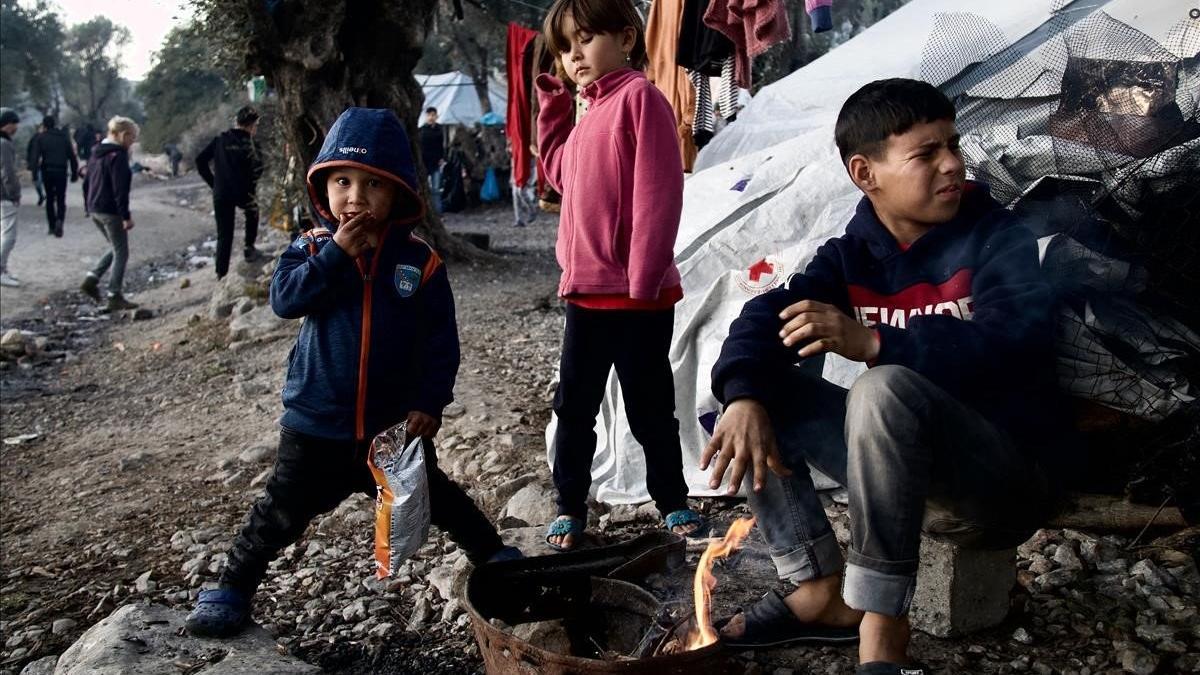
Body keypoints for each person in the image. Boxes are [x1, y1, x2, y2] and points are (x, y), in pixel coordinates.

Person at [701, 79, 1067, 675]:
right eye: (926, 154)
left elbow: (1017, 345)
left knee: (880, 385)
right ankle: (817, 587)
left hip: (1004, 478)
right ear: (865, 173)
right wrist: (743, 393)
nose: (953, 164)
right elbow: (768, 317)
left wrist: (876, 342)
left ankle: (882, 630)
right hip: (906, 479)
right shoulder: (851, 257)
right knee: (753, 398)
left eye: (953, 144)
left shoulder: (998, 239)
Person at [184, 107, 520, 639]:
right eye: (342, 181)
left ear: (400, 194)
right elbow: (285, 301)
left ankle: (493, 554)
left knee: (435, 497)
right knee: (279, 513)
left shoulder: (420, 261)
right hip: (316, 424)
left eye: (372, 184)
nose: (356, 196)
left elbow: (440, 341)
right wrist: (336, 255)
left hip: (391, 427)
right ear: (324, 188)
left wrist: (430, 402)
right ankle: (232, 587)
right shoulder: (311, 248)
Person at [537, 0, 706, 551]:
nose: (573, 55)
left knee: (649, 403)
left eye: (584, 39)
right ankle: (569, 505)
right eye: (565, 47)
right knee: (575, 405)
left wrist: (644, 277)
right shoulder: (589, 113)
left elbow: (659, 193)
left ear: (627, 37)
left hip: (638, 296)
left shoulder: (641, 100)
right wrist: (553, 111)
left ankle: (672, 500)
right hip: (586, 293)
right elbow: (561, 175)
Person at [196, 105, 264, 278]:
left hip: (222, 193)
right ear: (252, 124)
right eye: (256, 125)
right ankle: (249, 248)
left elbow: (200, 161)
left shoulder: (220, 139)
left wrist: (214, 183)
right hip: (244, 192)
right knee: (252, 213)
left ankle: (221, 273)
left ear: (236, 121)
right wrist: (251, 183)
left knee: (224, 234)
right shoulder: (251, 143)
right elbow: (259, 168)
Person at [79, 116, 140, 311]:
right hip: (110, 210)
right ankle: (114, 294)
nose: (133, 143)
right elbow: (120, 189)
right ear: (123, 135)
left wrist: (87, 206)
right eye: (132, 138)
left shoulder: (96, 153)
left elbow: (87, 182)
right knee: (122, 251)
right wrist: (126, 216)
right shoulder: (118, 156)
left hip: (95, 208)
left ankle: (92, 279)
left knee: (114, 247)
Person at [29, 114, 78, 237]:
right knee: (61, 198)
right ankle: (60, 221)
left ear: (44, 126)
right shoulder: (64, 138)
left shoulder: (41, 138)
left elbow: (35, 158)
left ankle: (51, 226)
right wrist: (74, 173)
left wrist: (34, 175)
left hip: (47, 171)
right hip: (61, 171)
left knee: (50, 198)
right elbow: (72, 157)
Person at [0, 108, 22, 287]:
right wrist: (14, 193)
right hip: (4, 195)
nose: (16, 127)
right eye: (14, 124)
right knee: (9, 235)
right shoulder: (4, 144)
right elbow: (7, 172)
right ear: (7, 125)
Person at [418, 107, 445, 214]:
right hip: (424, 163)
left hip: (436, 162)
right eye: (429, 115)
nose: (431, 117)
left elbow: (441, 146)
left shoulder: (439, 129)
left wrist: (442, 158)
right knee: (423, 188)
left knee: (436, 189)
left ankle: (438, 212)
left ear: (436, 116)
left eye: (433, 115)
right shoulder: (422, 130)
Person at [26, 123, 44, 207]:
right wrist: (29, 162)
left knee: (43, 180)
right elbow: (29, 150)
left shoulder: (47, 138)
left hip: (45, 164)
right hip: (35, 164)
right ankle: (41, 195)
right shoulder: (34, 138)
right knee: (37, 182)